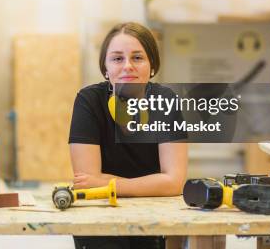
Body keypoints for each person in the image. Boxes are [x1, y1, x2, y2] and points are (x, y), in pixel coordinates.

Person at [69, 22, 187, 249]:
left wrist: (106, 183)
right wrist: (152, 184)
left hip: (153, 217)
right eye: (117, 58)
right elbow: (87, 183)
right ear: (105, 67)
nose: (127, 66)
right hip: (99, 215)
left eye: (137, 58)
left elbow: (174, 182)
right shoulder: (89, 101)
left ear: (152, 64)